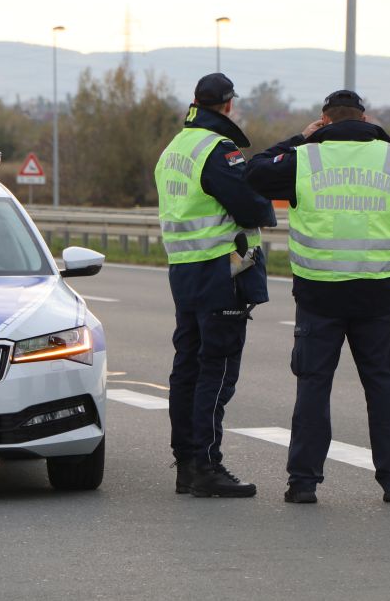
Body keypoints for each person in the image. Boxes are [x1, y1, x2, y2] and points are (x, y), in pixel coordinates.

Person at [243, 89, 390, 504]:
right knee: (383, 386)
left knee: (313, 387)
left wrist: (300, 137)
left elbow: (253, 172)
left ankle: (303, 483)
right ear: (365, 119)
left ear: (324, 121)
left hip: (318, 294)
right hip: (377, 293)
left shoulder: (304, 158)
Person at [154, 73, 277, 498]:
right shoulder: (218, 150)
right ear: (228, 105)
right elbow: (251, 205)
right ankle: (207, 465)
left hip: (184, 270)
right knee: (217, 369)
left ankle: (187, 466)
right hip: (221, 269)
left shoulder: (174, 148)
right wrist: (265, 206)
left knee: (187, 367)